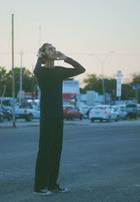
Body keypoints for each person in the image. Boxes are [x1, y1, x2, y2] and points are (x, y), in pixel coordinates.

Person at [33, 43, 85, 196]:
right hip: (47, 115)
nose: (54, 51)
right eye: (50, 49)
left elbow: (81, 70)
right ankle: (39, 186)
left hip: (58, 115)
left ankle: (52, 185)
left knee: (56, 150)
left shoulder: (59, 71)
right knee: (45, 150)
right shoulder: (41, 71)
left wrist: (66, 58)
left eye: (54, 48)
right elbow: (36, 71)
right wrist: (39, 58)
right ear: (43, 53)